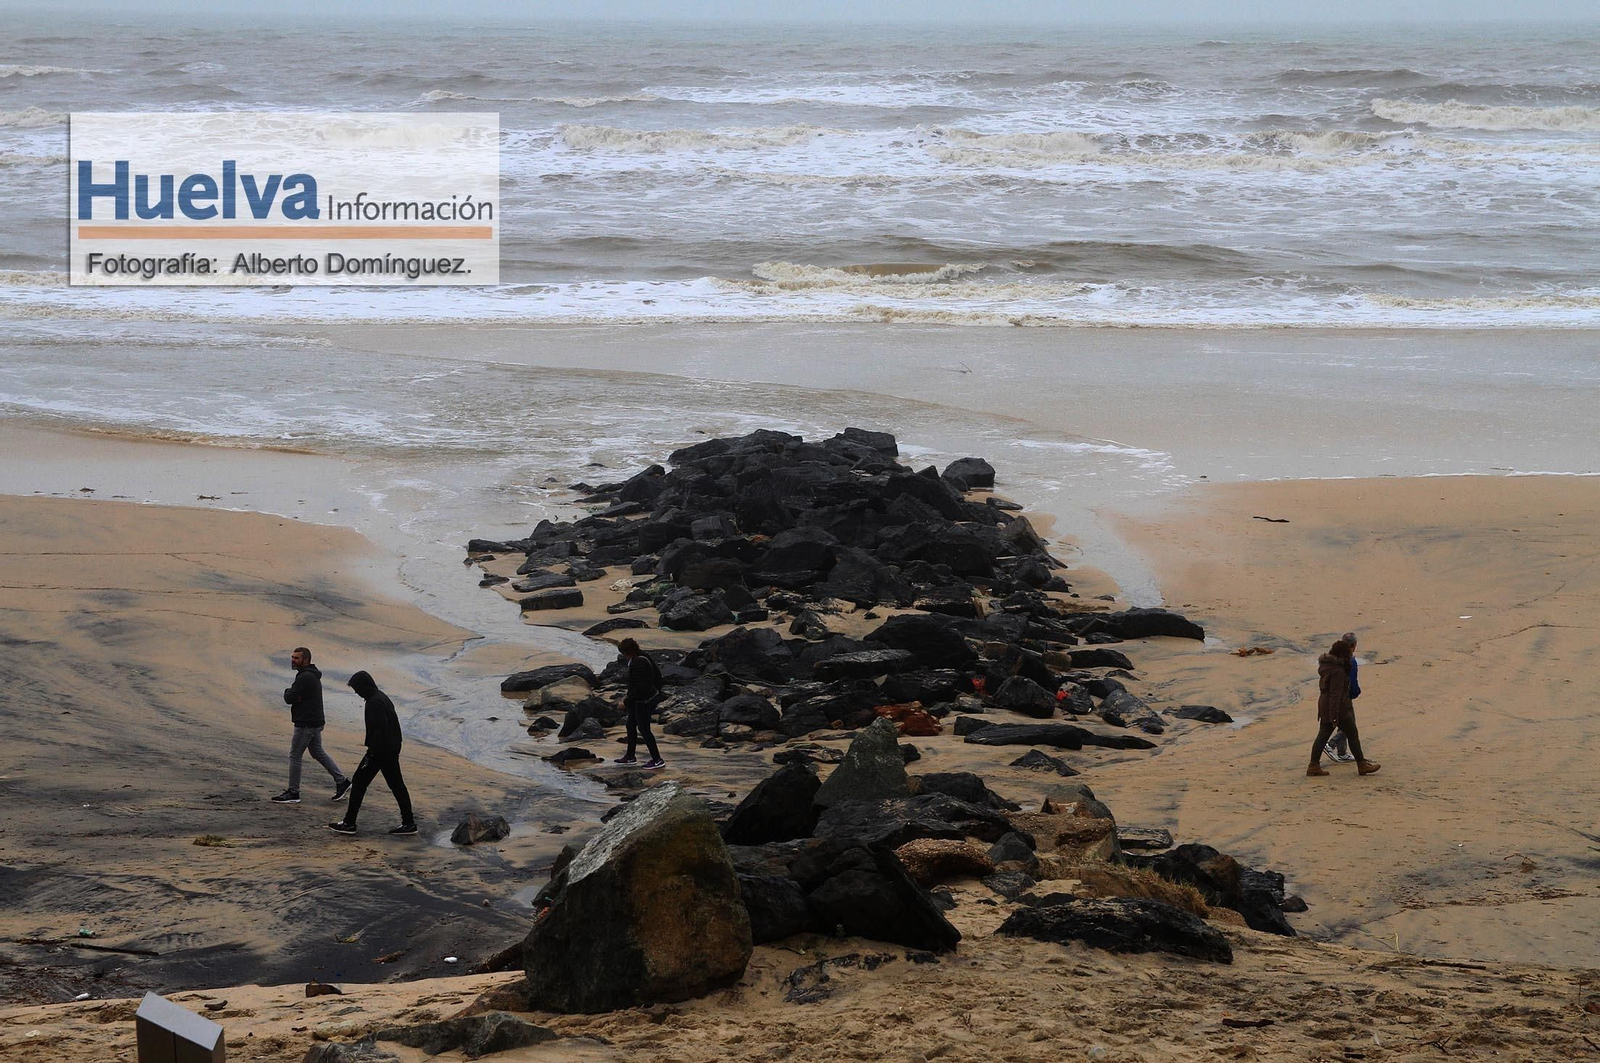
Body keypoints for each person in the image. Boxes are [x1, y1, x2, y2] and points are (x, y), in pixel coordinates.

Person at [328, 671, 416, 836]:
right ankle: (409, 822)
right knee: (397, 785)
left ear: (364, 686)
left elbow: (380, 730)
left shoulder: (374, 702)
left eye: (357, 688)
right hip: (391, 748)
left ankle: (349, 822)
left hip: (380, 751)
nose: (356, 692)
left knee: (359, 783)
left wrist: (372, 753)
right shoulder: (381, 697)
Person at [273, 647, 350, 804]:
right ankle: (342, 781)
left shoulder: (305, 677)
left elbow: (289, 697)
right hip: (314, 721)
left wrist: (289, 691)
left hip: (306, 723)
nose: (293, 660)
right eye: (292, 657)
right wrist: (294, 694)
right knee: (317, 752)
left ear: (306, 660)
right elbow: (294, 696)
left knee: (295, 755)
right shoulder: (309, 675)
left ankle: (293, 792)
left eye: (296, 658)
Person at [1308, 638, 1380, 777]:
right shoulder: (1338, 671)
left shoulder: (1326, 666)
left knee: (1323, 735)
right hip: (1338, 707)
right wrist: (1335, 715)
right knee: (1352, 734)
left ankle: (1313, 765)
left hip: (1324, 704)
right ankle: (1362, 765)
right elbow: (1335, 694)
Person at [615, 638, 665, 769]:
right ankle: (630, 756)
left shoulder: (639, 662)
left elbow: (641, 687)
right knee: (630, 725)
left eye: (623, 653)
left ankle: (657, 759)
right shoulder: (640, 657)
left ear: (628, 652)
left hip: (645, 700)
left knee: (644, 729)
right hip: (641, 699)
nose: (623, 656)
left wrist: (626, 701)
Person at [1324, 631, 1361, 763]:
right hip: (1345, 697)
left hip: (1332, 696)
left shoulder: (1334, 659)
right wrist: (1355, 693)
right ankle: (1331, 744)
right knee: (1350, 726)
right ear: (1354, 645)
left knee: (1342, 723)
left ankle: (1342, 752)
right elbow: (1352, 682)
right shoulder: (1350, 661)